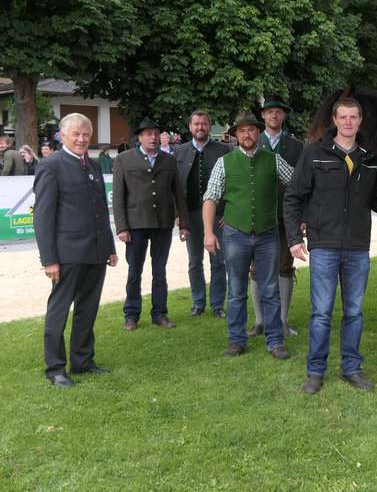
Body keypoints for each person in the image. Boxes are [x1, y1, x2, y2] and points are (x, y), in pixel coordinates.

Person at [284, 97, 377, 394]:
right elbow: (293, 196)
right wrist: (294, 238)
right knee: (321, 313)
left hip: (357, 248)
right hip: (324, 246)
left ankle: (351, 369)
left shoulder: (370, 157)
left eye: (353, 117)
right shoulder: (314, 153)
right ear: (334, 120)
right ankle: (315, 372)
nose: (348, 122)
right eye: (343, 117)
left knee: (354, 312)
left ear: (359, 121)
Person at [33, 113, 118, 387]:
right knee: (59, 311)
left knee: (87, 309)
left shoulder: (91, 165)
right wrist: (49, 260)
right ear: (62, 136)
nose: (82, 139)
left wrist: (109, 247)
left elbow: (100, 211)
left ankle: (82, 361)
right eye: (76, 134)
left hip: (95, 253)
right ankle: (55, 368)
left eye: (86, 134)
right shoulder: (51, 166)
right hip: (66, 255)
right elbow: (43, 217)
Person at [202, 110, 293, 360]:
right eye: (242, 130)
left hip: (267, 234)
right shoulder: (225, 162)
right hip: (235, 234)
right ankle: (237, 340)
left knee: (271, 289)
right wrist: (209, 233)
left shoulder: (273, 160)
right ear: (236, 135)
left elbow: (296, 184)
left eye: (251, 129)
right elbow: (210, 198)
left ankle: (275, 341)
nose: (247, 134)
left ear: (258, 132)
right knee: (236, 290)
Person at [112, 117, 190, 331]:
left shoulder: (169, 160)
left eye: (156, 133)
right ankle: (131, 315)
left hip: (163, 223)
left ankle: (160, 313)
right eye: (148, 134)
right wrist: (122, 227)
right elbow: (118, 197)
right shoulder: (123, 160)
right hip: (135, 225)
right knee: (134, 271)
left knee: (160, 271)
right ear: (140, 137)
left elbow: (178, 195)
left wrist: (184, 223)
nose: (153, 137)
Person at [248, 94, 304, 338]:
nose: (274, 115)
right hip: (255, 216)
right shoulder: (250, 141)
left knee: (284, 265)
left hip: (285, 216)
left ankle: (282, 320)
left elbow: (302, 184)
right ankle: (260, 321)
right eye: (269, 111)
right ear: (263, 115)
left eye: (279, 111)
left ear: (283, 115)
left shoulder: (296, 146)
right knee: (255, 268)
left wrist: (303, 215)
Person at [175, 110, 232, 318]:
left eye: (204, 124)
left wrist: (230, 212)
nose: (200, 127)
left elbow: (233, 183)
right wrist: (179, 216)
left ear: (209, 126)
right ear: (190, 127)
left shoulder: (224, 149)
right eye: (196, 124)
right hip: (190, 215)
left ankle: (217, 305)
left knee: (219, 261)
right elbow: (175, 186)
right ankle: (198, 303)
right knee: (194, 260)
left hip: (218, 215)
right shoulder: (179, 151)